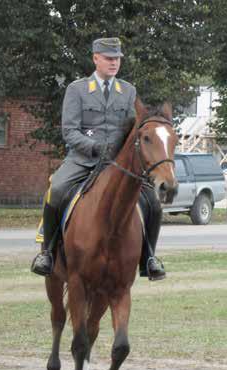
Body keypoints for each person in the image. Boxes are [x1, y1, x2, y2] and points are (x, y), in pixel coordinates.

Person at [30, 37, 166, 281]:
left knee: (153, 202)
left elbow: (131, 129)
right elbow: (69, 131)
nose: (114, 63)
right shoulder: (77, 89)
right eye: (109, 58)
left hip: (117, 165)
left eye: (117, 59)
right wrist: (94, 148)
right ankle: (47, 253)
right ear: (95, 58)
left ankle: (149, 257)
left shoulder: (128, 91)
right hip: (82, 159)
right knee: (57, 188)